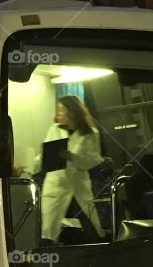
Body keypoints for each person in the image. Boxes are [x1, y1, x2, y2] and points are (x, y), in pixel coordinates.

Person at [40, 95, 105, 243]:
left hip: (78, 187)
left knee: (91, 230)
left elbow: (94, 159)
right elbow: (46, 156)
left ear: (72, 111)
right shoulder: (54, 130)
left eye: (62, 110)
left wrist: (73, 157)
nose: (59, 114)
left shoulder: (91, 134)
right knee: (49, 232)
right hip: (56, 187)